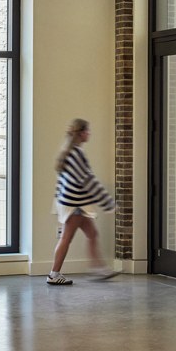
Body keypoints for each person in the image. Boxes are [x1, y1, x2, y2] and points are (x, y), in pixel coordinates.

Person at [47, 118, 115, 285]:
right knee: (66, 238)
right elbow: (88, 180)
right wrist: (108, 202)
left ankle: (98, 269)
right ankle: (54, 274)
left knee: (92, 234)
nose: (89, 133)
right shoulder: (76, 154)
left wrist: (59, 203)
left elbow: (61, 182)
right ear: (82, 133)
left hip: (72, 203)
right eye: (88, 131)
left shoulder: (68, 152)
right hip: (75, 204)